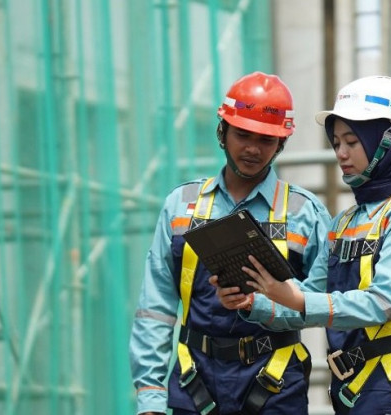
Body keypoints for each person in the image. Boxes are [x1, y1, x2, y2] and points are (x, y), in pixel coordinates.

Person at [218, 75, 391, 415]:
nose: (341, 153)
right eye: (336, 142)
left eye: (352, 141)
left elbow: (383, 302)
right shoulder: (345, 221)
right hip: (353, 385)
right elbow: (308, 299)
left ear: (387, 142)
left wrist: (296, 297)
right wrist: (254, 303)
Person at [130, 72, 332, 415]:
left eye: (266, 139)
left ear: (281, 144)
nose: (253, 148)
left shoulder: (306, 213)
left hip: (276, 384)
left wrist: (264, 302)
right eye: (243, 134)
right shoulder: (182, 205)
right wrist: (150, 395)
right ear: (222, 131)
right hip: (194, 382)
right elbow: (157, 304)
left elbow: (324, 302)